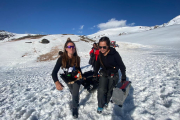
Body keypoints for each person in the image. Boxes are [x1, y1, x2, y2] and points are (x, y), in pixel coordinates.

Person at [93, 36, 126, 113]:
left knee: (109, 89)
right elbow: (97, 64)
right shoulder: (101, 54)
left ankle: (106, 101)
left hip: (113, 74)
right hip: (104, 73)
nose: (102, 49)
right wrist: (95, 72)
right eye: (100, 47)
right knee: (101, 89)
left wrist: (123, 77)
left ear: (108, 46)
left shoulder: (114, 54)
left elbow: (122, 66)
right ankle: (100, 105)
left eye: (104, 47)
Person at [52, 38, 82, 118]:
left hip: (76, 78)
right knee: (72, 91)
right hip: (67, 79)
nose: (71, 48)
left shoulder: (77, 58)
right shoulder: (61, 59)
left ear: (75, 48)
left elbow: (78, 69)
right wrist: (57, 82)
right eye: (69, 47)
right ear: (66, 49)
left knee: (75, 93)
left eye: (73, 46)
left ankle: (75, 107)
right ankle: (75, 97)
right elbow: (54, 72)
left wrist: (81, 76)